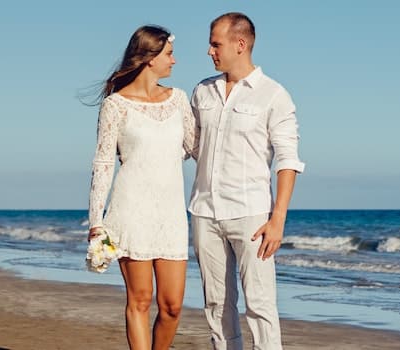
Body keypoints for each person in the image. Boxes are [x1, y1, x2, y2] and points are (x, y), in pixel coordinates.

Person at [188, 12, 304, 350]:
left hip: (252, 215)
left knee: (260, 305)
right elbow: (192, 146)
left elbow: (288, 160)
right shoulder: (202, 92)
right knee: (216, 305)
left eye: (215, 44)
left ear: (240, 45)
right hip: (205, 212)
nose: (210, 51)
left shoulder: (273, 95)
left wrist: (277, 219)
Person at [87, 25, 196, 350]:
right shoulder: (115, 105)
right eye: (169, 54)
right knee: (140, 300)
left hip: (171, 215)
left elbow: (194, 147)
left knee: (173, 306)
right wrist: (96, 222)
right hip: (130, 211)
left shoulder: (179, 99)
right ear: (149, 58)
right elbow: (103, 163)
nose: (174, 62)